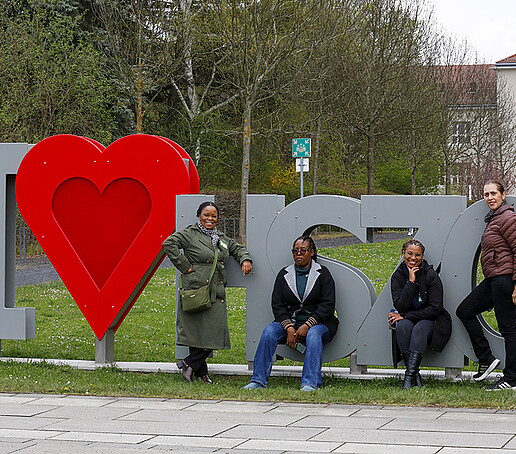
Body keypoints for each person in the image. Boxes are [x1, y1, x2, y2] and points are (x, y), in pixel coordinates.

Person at [163, 201, 252, 384]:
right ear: (199, 216)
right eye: (206, 215)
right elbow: (169, 243)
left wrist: (245, 259)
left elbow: (236, 248)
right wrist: (185, 266)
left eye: (214, 216)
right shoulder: (190, 233)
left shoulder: (220, 237)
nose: (210, 219)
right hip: (196, 287)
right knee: (196, 330)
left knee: (213, 331)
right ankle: (200, 372)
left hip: (215, 288)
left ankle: (189, 364)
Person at [243, 236, 338, 391]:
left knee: (313, 334)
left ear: (311, 252)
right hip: (290, 324)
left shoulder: (323, 274)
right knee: (269, 331)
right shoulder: (284, 274)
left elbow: (327, 305)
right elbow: (277, 305)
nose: (298, 254)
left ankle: (310, 383)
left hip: (320, 324)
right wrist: (289, 328)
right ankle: (258, 380)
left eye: (303, 250)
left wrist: (307, 325)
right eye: (295, 251)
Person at [456, 180, 516, 390]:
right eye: (486, 194)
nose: (490, 198)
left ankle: (511, 378)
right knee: (465, 311)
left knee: (508, 328)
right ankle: (487, 359)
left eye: (493, 193)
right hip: (493, 279)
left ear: (503, 195)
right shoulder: (494, 218)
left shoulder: (507, 218)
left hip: (505, 279)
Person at [389, 239, 451, 390]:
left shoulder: (431, 275)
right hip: (408, 317)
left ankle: (408, 378)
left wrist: (406, 316)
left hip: (431, 319)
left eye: (417, 255)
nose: (413, 258)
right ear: (403, 253)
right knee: (402, 327)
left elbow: (435, 309)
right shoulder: (397, 276)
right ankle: (414, 376)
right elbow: (400, 306)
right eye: (409, 254)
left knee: (419, 329)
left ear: (422, 256)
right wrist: (411, 283)